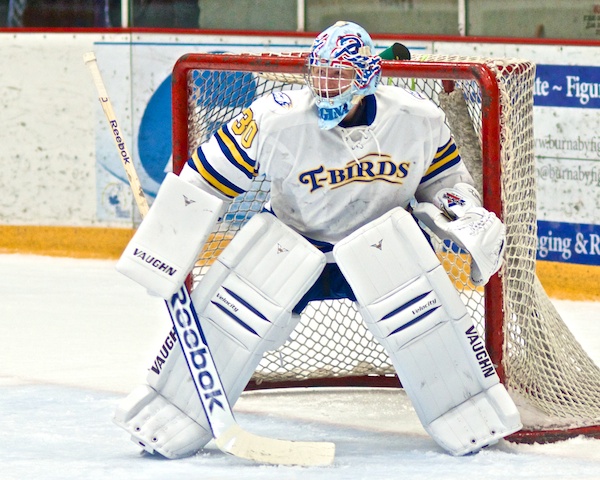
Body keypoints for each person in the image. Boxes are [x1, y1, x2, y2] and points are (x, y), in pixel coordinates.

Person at [113, 21, 521, 460]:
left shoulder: (417, 120)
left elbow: (443, 183)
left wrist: (463, 214)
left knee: (426, 321)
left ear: (366, 77)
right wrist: (165, 242)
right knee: (224, 320)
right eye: (319, 73)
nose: (325, 85)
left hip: (380, 247)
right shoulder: (276, 118)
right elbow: (203, 180)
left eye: (338, 75)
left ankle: (470, 409)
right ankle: (170, 409)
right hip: (293, 242)